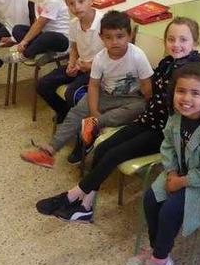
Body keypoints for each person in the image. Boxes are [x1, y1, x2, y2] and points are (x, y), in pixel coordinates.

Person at [36, 17, 200, 222]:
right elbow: (151, 94)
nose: (176, 44)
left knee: (114, 154)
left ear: (195, 43)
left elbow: (187, 114)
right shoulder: (168, 62)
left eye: (183, 40)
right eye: (171, 39)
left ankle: (71, 195)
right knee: (104, 147)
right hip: (150, 120)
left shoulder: (191, 73)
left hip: (167, 133)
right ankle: (85, 205)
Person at [130, 63, 200, 265]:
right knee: (150, 199)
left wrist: (182, 181)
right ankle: (158, 248)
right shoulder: (176, 117)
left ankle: (160, 261)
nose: (186, 98)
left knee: (170, 210)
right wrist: (172, 172)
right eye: (181, 91)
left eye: (195, 93)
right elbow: (167, 146)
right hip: (180, 172)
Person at [20, 11, 153, 169]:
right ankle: (50, 150)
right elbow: (94, 86)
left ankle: (94, 124)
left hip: (131, 98)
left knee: (140, 107)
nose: (114, 42)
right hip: (105, 94)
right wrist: (93, 110)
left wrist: (147, 107)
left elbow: (147, 86)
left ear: (129, 36)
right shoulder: (100, 58)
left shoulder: (137, 56)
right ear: (101, 37)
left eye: (120, 36)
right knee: (76, 113)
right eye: (108, 37)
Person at [35, 0, 103, 124]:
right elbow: (74, 47)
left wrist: (90, 66)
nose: (76, 7)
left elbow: (114, 56)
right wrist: (72, 63)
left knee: (71, 93)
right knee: (43, 85)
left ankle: (80, 124)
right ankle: (65, 113)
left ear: (92, 0)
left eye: (81, 1)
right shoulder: (74, 24)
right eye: (71, 3)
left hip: (98, 72)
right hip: (81, 66)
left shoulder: (104, 23)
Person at [4, 0, 70, 63]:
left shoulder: (53, 0)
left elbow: (40, 23)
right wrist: (25, 39)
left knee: (46, 36)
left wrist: (24, 41)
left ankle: (24, 55)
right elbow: (36, 20)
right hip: (44, 35)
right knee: (18, 29)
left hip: (60, 40)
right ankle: (39, 52)